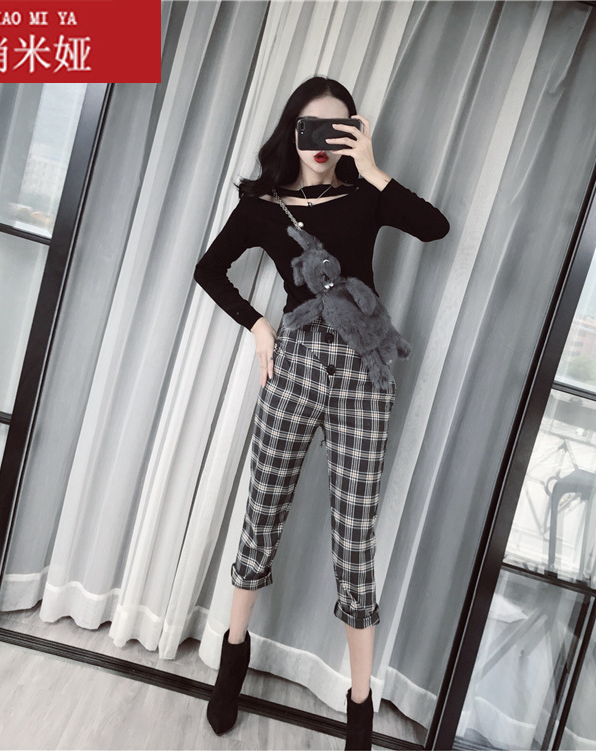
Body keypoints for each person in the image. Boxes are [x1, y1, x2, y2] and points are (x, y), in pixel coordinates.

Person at [194, 76, 449, 750]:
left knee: (355, 538)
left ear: (351, 135)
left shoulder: (366, 196)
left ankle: (359, 702)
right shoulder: (261, 207)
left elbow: (435, 226)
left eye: (338, 129)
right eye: (311, 127)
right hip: (296, 361)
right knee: (262, 511)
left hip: (364, 370)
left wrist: (372, 166)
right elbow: (209, 269)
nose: (321, 142)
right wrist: (257, 326)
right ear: (292, 128)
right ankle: (233, 655)